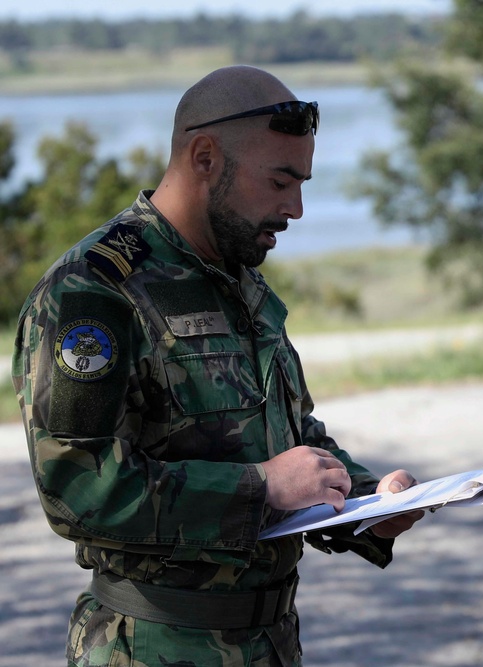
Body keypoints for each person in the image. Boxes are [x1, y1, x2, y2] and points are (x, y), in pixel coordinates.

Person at [11, 65, 424, 667]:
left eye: (303, 183)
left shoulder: (236, 279)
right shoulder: (95, 293)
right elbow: (77, 487)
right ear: (204, 158)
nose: (298, 208)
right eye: (281, 181)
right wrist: (260, 489)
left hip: (270, 643)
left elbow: (289, 438)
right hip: (154, 645)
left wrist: (367, 504)